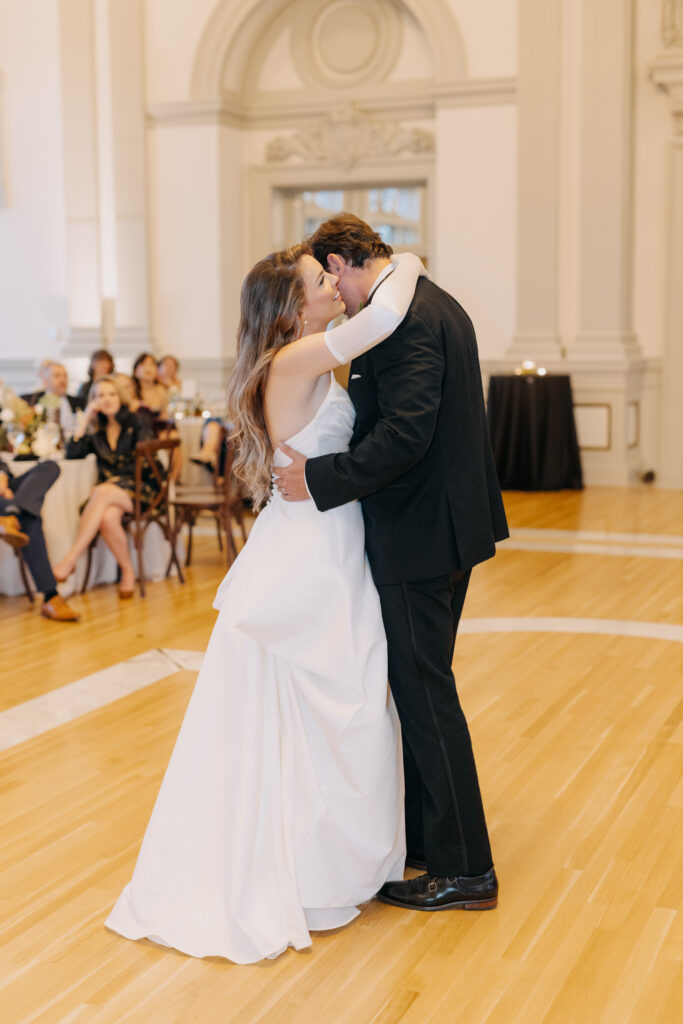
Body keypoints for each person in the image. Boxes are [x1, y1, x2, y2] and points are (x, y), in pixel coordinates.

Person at [105, 246, 424, 963]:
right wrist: (403, 259)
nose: (335, 289)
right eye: (321, 282)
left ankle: (326, 861)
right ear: (291, 307)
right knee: (338, 702)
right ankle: (312, 868)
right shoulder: (295, 358)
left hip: (325, 539)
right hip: (312, 553)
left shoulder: (293, 359)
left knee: (333, 708)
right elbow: (389, 313)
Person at [274, 214, 508, 913]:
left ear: (345, 262)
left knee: (424, 694)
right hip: (443, 525)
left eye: (327, 278)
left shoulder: (400, 319)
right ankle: (427, 844)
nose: (332, 296)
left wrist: (318, 480)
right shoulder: (424, 300)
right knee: (421, 689)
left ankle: (465, 869)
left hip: (418, 534)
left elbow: (405, 435)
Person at [54, 377, 156, 599]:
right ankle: (128, 571)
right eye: (100, 396)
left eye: (111, 394)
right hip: (111, 496)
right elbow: (72, 454)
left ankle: (70, 559)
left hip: (142, 489)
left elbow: (146, 461)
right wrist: (85, 421)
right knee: (108, 518)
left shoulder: (138, 421)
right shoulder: (97, 430)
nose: (107, 400)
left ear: (120, 396)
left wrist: (113, 483)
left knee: (101, 491)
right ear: (93, 401)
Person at [0, 456, 80, 621]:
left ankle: (12, 513)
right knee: (30, 517)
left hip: (7, 487)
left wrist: (1, 477)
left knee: (50, 467)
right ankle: (51, 596)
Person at [22, 361, 85, 436]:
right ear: (46, 381)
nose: (62, 380)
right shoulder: (30, 401)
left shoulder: (79, 403)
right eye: (57, 376)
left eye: (65, 376)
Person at [131, 353, 168, 422]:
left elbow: (164, 416)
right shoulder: (130, 389)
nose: (148, 368)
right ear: (135, 372)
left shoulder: (160, 390)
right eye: (143, 364)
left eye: (151, 364)